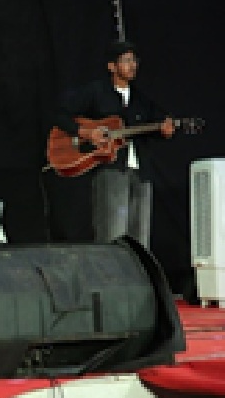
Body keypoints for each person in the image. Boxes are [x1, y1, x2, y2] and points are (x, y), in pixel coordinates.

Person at [55, 40, 174, 248]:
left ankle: (136, 269)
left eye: (134, 60)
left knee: (140, 239)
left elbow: (157, 126)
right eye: (127, 60)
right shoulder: (96, 92)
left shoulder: (141, 100)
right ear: (112, 66)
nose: (133, 65)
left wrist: (166, 130)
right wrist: (86, 132)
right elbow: (59, 114)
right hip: (111, 169)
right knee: (113, 234)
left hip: (141, 172)